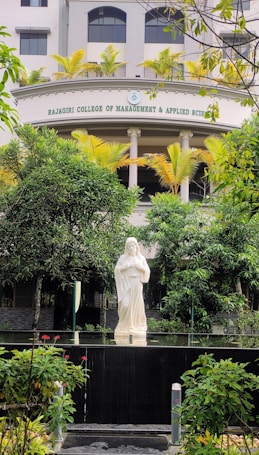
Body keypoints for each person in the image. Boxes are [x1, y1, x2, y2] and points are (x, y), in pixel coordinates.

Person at [114, 237, 150, 338]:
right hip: (126, 284)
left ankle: (135, 326)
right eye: (129, 246)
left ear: (136, 246)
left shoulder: (141, 258)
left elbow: (147, 272)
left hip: (137, 284)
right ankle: (124, 325)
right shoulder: (123, 258)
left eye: (132, 246)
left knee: (136, 305)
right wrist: (125, 266)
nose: (131, 248)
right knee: (125, 305)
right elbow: (117, 270)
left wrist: (140, 267)